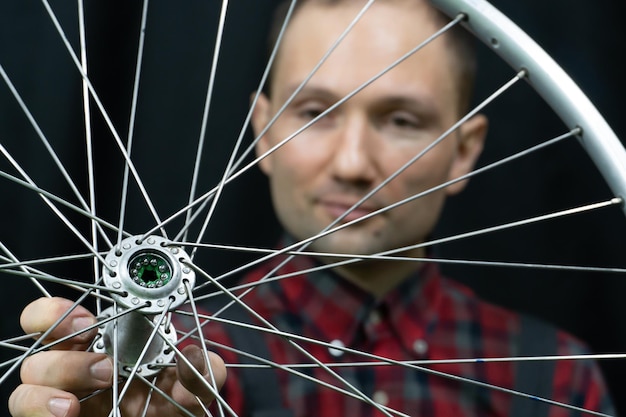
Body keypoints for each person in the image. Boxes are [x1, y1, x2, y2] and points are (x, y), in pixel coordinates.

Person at [8, 0, 616, 416]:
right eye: (315, 113)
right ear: (265, 134)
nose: (352, 162)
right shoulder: (172, 369)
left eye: (401, 121)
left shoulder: (556, 379)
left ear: (464, 152)